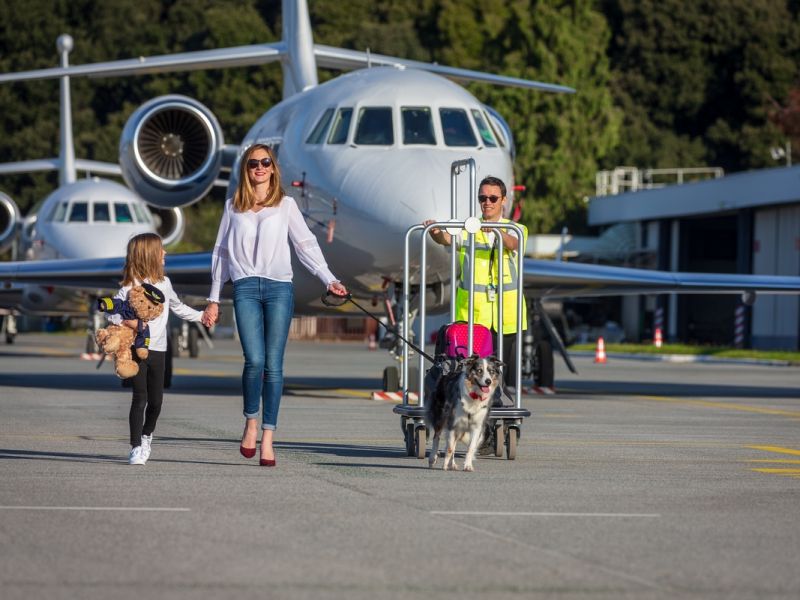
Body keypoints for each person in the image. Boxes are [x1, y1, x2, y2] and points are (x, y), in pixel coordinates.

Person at [201, 144, 347, 467]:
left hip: (279, 287)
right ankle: (251, 422)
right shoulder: (232, 208)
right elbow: (220, 255)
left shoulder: (286, 205)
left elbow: (305, 244)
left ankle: (268, 436)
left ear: (273, 168)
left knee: (274, 364)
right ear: (246, 169)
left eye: (265, 162)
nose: (260, 168)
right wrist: (213, 299)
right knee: (253, 360)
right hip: (245, 288)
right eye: (254, 163)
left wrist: (328, 279)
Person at [424, 176, 528, 449]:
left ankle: (495, 428)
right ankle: (475, 431)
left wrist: (492, 229)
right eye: (483, 198)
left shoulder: (516, 229)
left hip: (507, 317)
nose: (487, 203)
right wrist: (434, 231)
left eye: (493, 198)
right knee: (471, 377)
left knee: (502, 378)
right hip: (475, 319)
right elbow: (447, 238)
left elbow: (513, 244)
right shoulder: (469, 228)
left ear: (504, 200)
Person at [107, 233, 204, 465]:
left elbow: (178, 307)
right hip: (136, 350)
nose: (165, 253)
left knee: (157, 401)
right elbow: (112, 311)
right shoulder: (130, 286)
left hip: (159, 351)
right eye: (161, 250)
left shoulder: (164, 284)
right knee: (139, 398)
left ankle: (147, 434)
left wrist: (202, 316)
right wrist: (131, 322)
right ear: (150, 255)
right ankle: (135, 447)